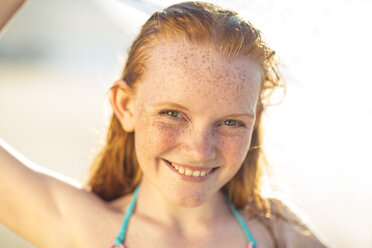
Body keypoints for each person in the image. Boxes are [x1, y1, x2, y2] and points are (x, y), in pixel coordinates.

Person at [0, 1, 327, 248]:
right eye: (172, 114)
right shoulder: (80, 226)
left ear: (255, 123)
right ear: (125, 106)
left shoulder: (280, 233)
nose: (199, 150)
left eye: (230, 122)